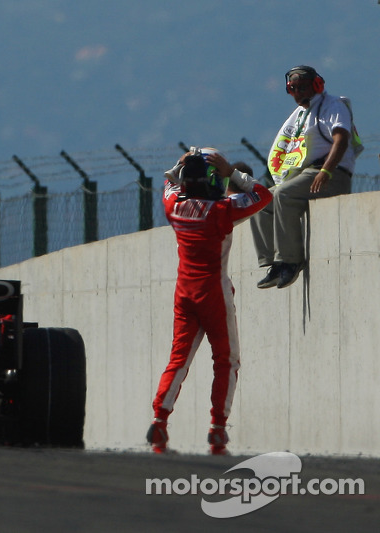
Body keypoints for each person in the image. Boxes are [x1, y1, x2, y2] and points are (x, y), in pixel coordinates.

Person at [147, 147, 272, 455]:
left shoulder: (173, 207)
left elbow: (169, 184)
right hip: (214, 292)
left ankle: (160, 421)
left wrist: (181, 165)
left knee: (178, 360)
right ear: (213, 181)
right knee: (226, 361)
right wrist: (232, 172)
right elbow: (262, 195)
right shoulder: (222, 210)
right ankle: (217, 428)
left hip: (184, 292)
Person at [251, 65, 358, 289]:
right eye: (293, 89)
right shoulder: (301, 114)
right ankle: (274, 263)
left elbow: (341, 139)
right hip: (306, 174)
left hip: (332, 173)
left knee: (283, 194)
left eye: (302, 87)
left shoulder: (332, 106)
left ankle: (290, 261)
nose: (297, 93)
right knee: (259, 200)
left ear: (317, 85)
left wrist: (326, 171)